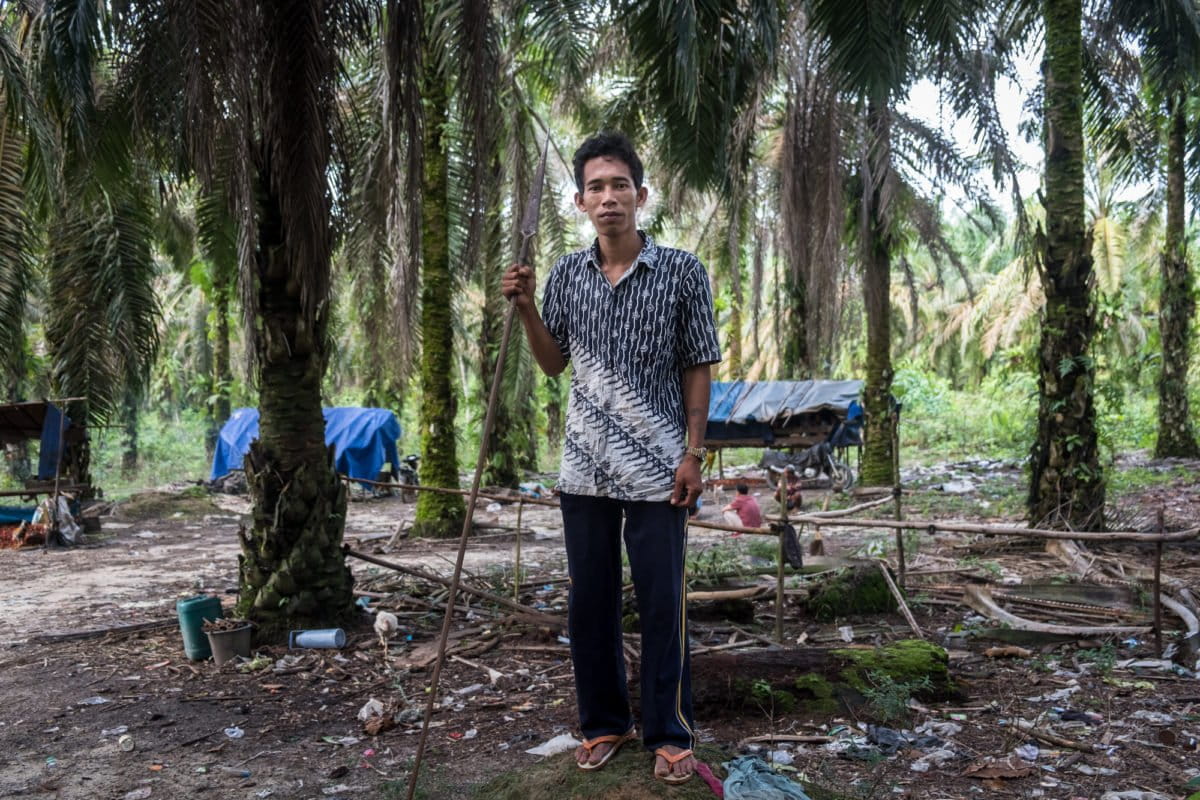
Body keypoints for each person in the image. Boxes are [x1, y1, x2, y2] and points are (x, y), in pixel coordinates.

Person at [502, 132, 720, 785]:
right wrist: (524, 309)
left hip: (659, 467)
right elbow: (552, 362)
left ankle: (670, 732)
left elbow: (698, 365)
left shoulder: (682, 271)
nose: (608, 198)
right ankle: (603, 724)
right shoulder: (568, 274)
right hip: (585, 468)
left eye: (619, 185)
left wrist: (694, 452)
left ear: (640, 195)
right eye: (595, 187)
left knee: (662, 599)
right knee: (589, 600)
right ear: (580, 201)